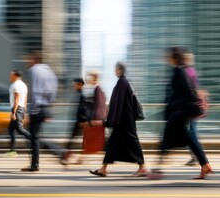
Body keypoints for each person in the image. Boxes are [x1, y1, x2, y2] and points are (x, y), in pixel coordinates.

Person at [153, 46, 212, 180]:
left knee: (169, 139)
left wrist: (194, 103)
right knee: (188, 139)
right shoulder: (180, 71)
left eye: (169, 56)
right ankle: (205, 165)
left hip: (179, 112)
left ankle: (157, 169)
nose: (167, 58)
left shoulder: (179, 71)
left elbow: (188, 91)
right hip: (179, 112)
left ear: (174, 57)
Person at [89, 62, 147, 177]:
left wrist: (109, 121)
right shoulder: (126, 82)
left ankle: (142, 168)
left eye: (115, 69)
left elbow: (117, 104)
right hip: (124, 120)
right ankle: (103, 168)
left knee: (132, 143)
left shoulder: (122, 83)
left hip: (123, 121)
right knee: (113, 144)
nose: (114, 71)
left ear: (119, 70)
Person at [21, 50, 66, 171]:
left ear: (35, 60)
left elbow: (35, 91)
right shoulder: (49, 71)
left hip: (37, 108)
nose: (27, 62)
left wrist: (31, 112)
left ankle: (35, 164)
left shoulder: (34, 70)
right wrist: (48, 107)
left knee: (32, 137)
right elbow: (54, 91)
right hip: (45, 107)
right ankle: (60, 152)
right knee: (34, 136)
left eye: (29, 60)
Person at [183, 52, 205, 167]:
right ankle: (195, 156)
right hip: (191, 107)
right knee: (192, 133)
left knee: (192, 133)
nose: (185, 60)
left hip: (190, 108)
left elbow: (191, 90)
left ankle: (197, 156)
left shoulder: (188, 72)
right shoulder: (192, 72)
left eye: (187, 58)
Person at [4, 70, 31, 157]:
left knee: (20, 129)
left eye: (11, 75)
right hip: (21, 108)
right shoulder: (23, 85)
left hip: (17, 108)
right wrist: (25, 112)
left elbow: (17, 99)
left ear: (15, 76)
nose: (10, 77)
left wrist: (14, 112)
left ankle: (34, 140)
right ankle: (12, 150)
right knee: (11, 129)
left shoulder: (16, 85)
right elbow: (25, 99)